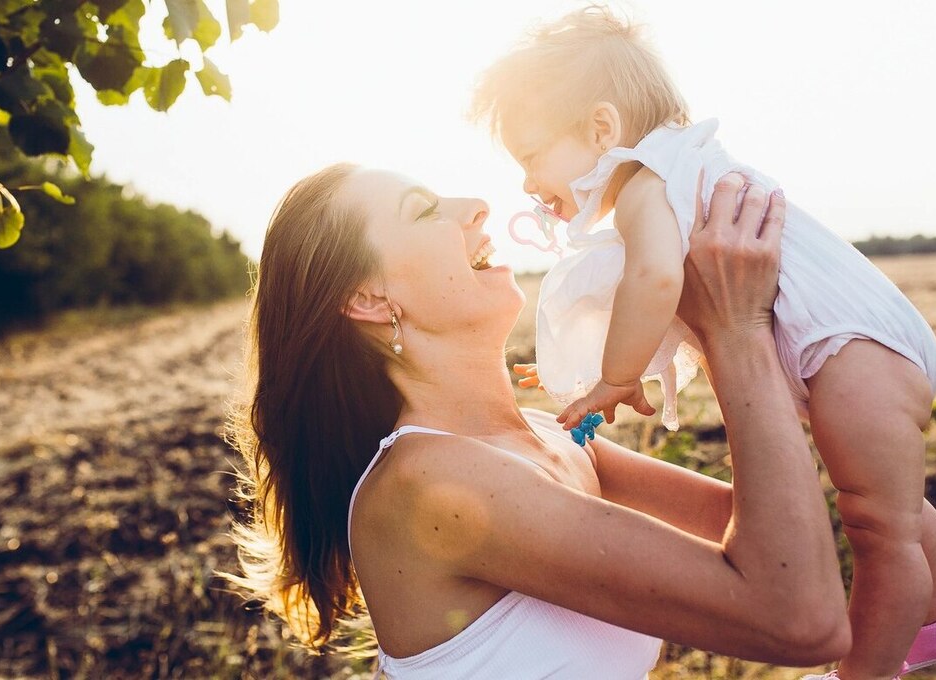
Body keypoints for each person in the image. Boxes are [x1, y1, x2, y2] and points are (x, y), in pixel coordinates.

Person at [469, 7, 936, 679]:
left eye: (531, 157)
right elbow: (656, 298)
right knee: (892, 512)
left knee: (881, 530)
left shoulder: (651, 183)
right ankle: (932, 617)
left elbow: (652, 281)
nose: (528, 183)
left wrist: (618, 377)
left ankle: (866, 671)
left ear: (601, 128)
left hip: (853, 351)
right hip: (865, 347)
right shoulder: (678, 171)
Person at [228, 162, 851, 679]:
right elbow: (800, 616)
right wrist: (734, 332)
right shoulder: (429, 484)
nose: (475, 205)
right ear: (369, 299)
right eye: (423, 210)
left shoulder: (542, 435)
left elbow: (773, 537)